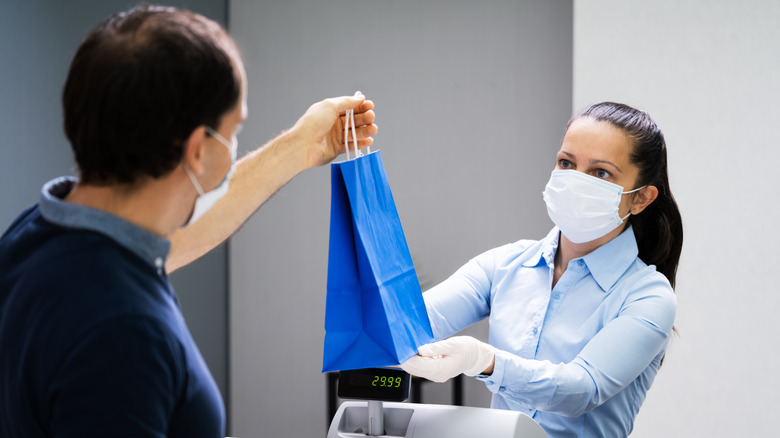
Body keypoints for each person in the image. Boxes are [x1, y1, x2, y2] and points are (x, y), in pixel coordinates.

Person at [0, 5, 376, 438]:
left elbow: (170, 240)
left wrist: (298, 147)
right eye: (234, 131)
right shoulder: (124, 335)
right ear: (198, 149)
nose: (233, 146)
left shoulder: (37, 237)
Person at [401, 102, 682, 438]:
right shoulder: (505, 265)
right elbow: (411, 320)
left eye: (601, 172)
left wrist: (483, 360)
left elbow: (581, 389)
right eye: (566, 163)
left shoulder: (648, 296)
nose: (576, 181)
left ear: (641, 199)